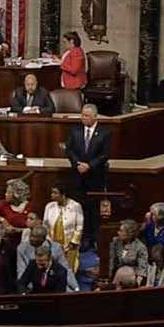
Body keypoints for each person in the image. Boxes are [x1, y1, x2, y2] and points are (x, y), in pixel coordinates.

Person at [65, 103, 110, 249]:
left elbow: (105, 155)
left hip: (95, 177)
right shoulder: (75, 131)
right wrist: (78, 164)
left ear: (95, 117)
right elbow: (69, 150)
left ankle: (94, 239)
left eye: (86, 116)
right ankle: (83, 238)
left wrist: (89, 165)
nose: (83, 118)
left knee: (93, 210)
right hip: (78, 176)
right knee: (80, 209)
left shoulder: (104, 133)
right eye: (82, 115)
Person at [17, 225, 79, 292]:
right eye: (31, 235)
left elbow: (66, 269)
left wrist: (75, 287)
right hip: (33, 285)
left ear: (43, 239)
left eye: (36, 237)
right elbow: (21, 271)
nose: (32, 238)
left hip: (54, 283)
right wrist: (25, 289)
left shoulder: (56, 248)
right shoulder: (22, 248)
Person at [42, 183, 84, 273]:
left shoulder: (76, 206)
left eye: (55, 193)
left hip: (70, 245)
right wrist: (49, 242)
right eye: (52, 192)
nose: (52, 195)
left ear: (63, 195)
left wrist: (73, 243)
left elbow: (79, 226)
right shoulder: (49, 206)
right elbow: (45, 225)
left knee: (68, 271)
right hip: (52, 244)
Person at [109, 219, 148, 287]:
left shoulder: (140, 247)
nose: (118, 233)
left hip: (132, 278)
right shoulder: (116, 243)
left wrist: (137, 283)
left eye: (121, 231)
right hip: (117, 275)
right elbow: (111, 261)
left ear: (130, 233)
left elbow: (142, 268)